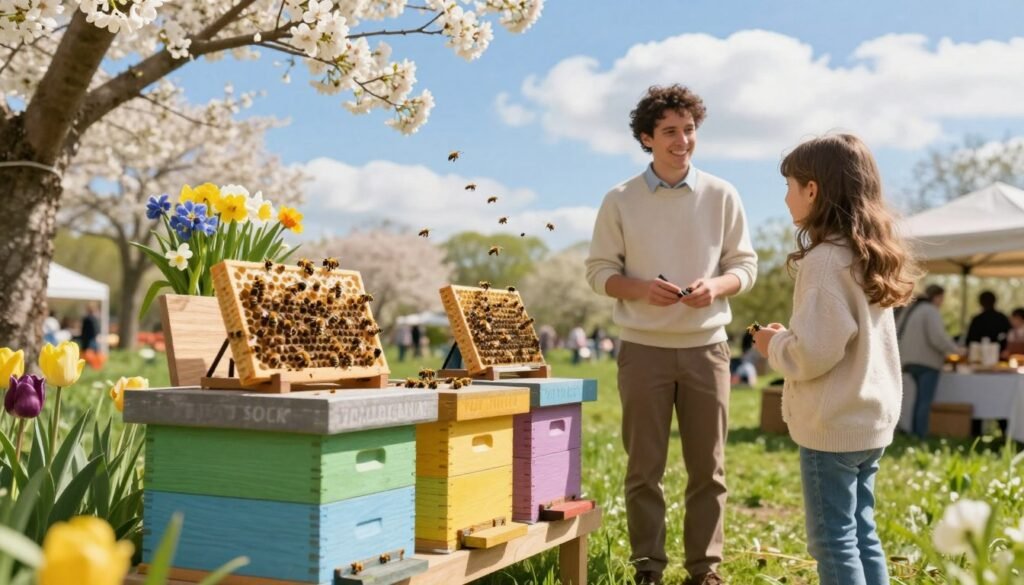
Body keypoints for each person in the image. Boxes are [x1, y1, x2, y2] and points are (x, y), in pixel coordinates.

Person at [586, 84, 757, 585]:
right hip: (643, 352)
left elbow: (743, 265)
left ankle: (705, 571)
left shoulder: (723, 194)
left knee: (710, 470)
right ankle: (648, 569)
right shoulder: (619, 200)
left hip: (708, 350)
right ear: (646, 138)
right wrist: (640, 289)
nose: (682, 140)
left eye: (689, 130)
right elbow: (598, 272)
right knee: (644, 470)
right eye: (669, 132)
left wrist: (717, 285)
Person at [752, 133, 919, 585]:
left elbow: (815, 353)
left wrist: (775, 345)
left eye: (790, 185)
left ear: (813, 190)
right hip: (870, 419)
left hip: (834, 426)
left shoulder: (825, 261)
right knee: (863, 535)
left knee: (832, 541)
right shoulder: (869, 254)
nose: (786, 197)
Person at [896, 284, 960, 437]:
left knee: (911, 400)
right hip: (926, 362)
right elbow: (937, 338)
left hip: (908, 361)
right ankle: (920, 434)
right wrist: (957, 350)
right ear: (937, 297)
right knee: (924, 401)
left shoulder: (910, 310)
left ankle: (908, 431)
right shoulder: (930, 311)